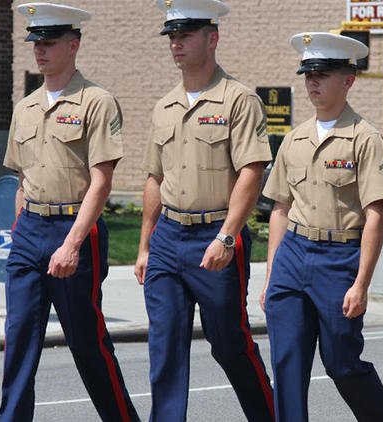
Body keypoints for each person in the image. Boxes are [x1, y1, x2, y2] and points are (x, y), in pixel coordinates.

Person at [260, 32, 383, 422]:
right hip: (292, 256)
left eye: (323, 74)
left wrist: (361, 283)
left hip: (339, 258)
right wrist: (270, 277)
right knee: (287, 364)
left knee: (341, 362)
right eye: (308, 74)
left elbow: (376, 214)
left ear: (348, 80)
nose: (313, 81)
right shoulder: (293, 140)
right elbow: (280, 209)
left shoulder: (366, 139)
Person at [0, 3, 140, 422]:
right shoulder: (25, 107)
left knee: (86, 343)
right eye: (36, 42)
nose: (40, 50)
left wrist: (72, 243)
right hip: (30, 230)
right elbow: (21, 180)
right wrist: (20, 228)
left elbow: (102, 181)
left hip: (74, 229)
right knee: (18, 336)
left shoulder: (97, 102)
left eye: (50, 42)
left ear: (73, 45)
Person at [134, 0, 275, 420]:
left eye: (185, 35)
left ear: (211, 38)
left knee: (229, 343)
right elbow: (154, 179)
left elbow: (252, 172)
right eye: (172, 36)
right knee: (164, 347)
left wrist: (227, 237)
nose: (175, 44)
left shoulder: (238, 100)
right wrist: (144, 245)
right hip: (167, 239)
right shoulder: (164, 105)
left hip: (214, 236)